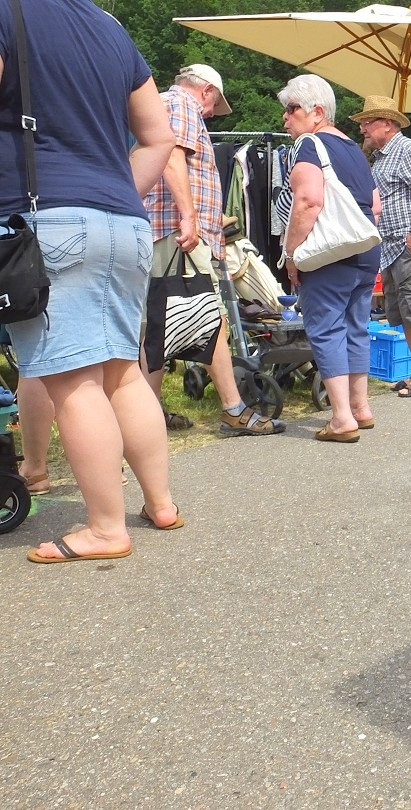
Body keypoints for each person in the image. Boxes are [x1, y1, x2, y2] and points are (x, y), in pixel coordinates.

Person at [0, 0, 176, 562]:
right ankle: (161, 502)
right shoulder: (110, 28)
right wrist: (113, 191)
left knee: (71, 378)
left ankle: (104, 528)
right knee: (122, 371)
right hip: (124, 221)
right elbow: (158, 136)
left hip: (45, 220)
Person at [144, 64, 285, 438]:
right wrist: (189, 217)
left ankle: (150, 414)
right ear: (205, 91)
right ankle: (233, 408)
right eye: (214, 106)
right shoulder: (182, 105)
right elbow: (173, 154)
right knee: (208, 320)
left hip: (170, 232)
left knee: (162, 322)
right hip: (178, 234)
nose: (210, 114)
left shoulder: (161, 104)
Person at [276, 75, 382, 441]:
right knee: (356, 326)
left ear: (317, 113)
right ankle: (361, 408)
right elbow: (377, 205)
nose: (285, 118)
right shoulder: (354, 148)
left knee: (326, 328)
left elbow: (308, 201)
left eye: (292, 109)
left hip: (330, 253)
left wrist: (291, 253)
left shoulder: (308, 144)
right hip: (366, 247)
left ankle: (341, 419)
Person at [352, 95, 411, 398]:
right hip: (392, 247)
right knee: (403, 314)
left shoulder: (407, 150)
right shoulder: (381, 157)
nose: (363, 128)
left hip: (410, 245)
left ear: (388, 124)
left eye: (368, 122)